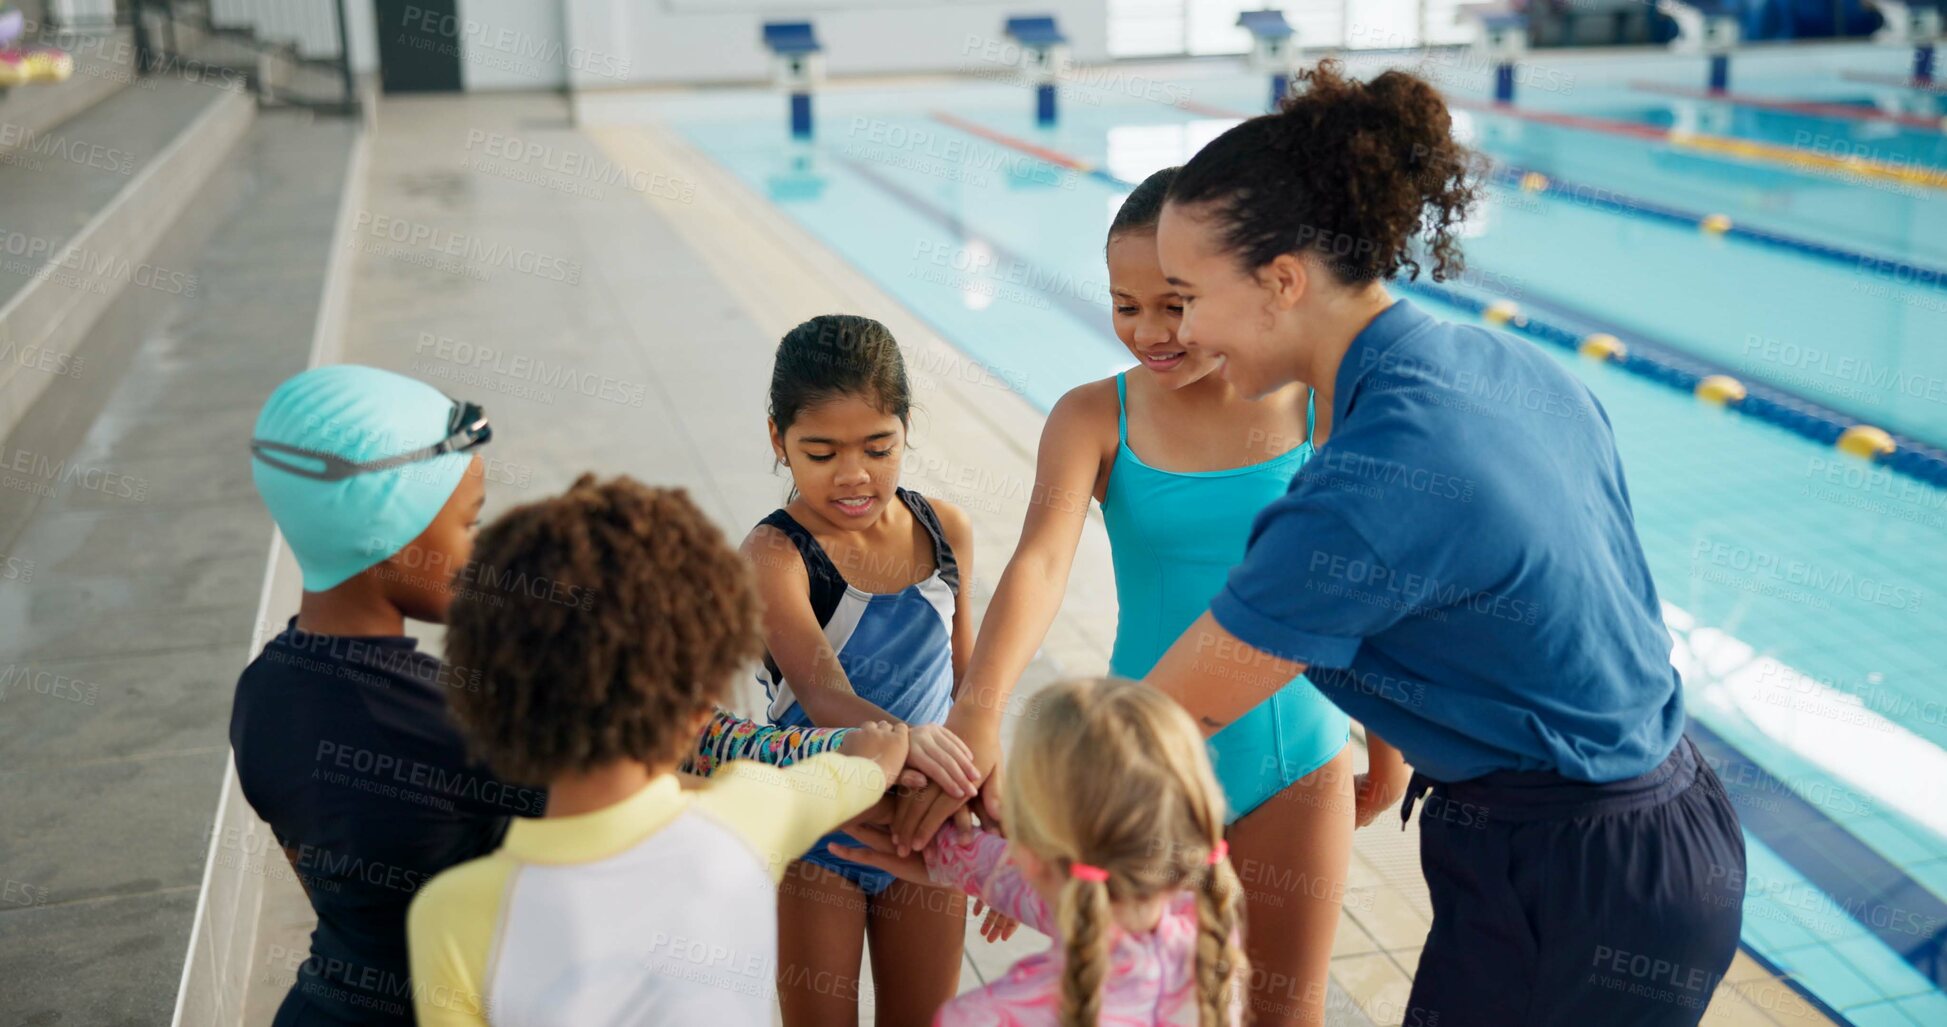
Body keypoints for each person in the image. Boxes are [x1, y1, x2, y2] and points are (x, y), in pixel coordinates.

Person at [1142, 62, 1746, 1026]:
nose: (1180, 330)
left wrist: (985, 815)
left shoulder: (1378, 474)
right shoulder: (1493, 361)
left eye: (1186, 296)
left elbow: (1158, 722)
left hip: (1579, 876)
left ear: (1281, 281)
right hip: (1660, 826)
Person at [890, 167, 1408, 1025]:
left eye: (1174, 303)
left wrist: (1387, 744)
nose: (1149, 332)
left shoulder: (1312, 408)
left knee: (1283, 1013)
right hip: (1139, 766)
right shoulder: (1094, 415)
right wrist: (978, 713)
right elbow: (1040, 566)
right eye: (1124, 305)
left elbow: (1358, 588)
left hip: (1295, 754)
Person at [406, 475, 913, 1026]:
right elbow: (838, 782)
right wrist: (879, 755)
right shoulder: (747, 815)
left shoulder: (451, 914)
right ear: (700, 708)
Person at [232, 364, 540, 1026]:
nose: (479, 548)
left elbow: (329, 882)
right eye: (468, 522)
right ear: (385, 528)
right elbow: (646, 805)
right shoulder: (453, 721)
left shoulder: (260, 692)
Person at [742, 313, 983, 1026]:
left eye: (879, 447)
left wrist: (989, 810)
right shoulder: (775, 554)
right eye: (820, 452)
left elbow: (968, 681)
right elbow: (821, 693)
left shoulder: (945, 531)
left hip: (924, 825)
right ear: (777, 439)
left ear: (906, 428)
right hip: (816, 833)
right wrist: (914, 741)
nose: (854, 475)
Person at [836, 677, 1247, 1027]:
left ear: (1029, 848)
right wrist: (935, 844)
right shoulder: (1204, 933)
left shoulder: (986, 1016)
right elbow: (1037, 879)